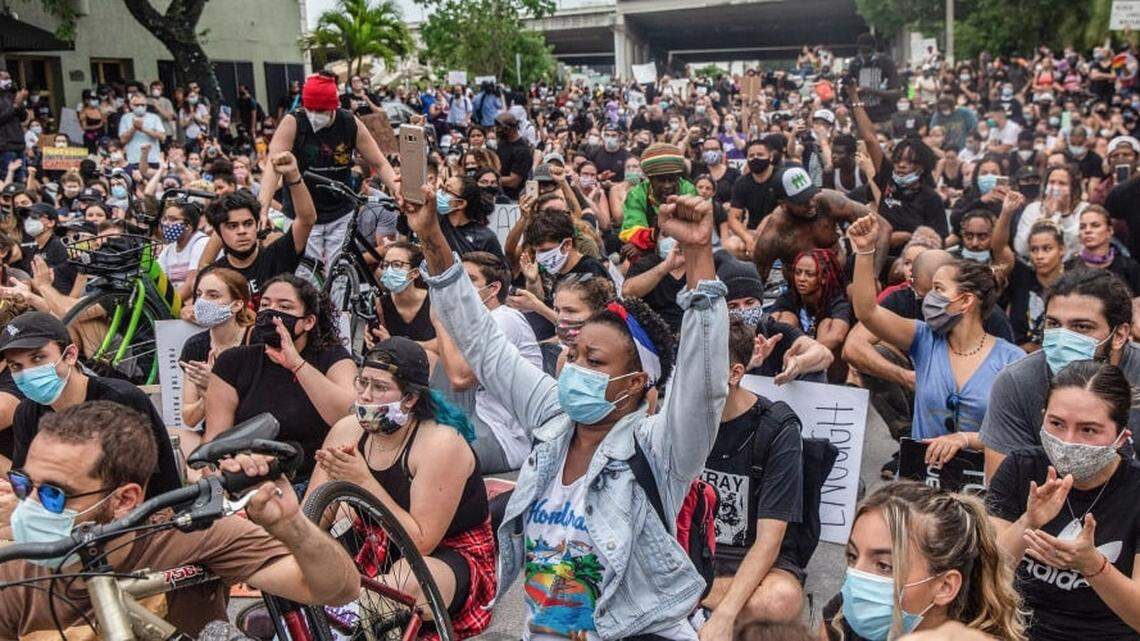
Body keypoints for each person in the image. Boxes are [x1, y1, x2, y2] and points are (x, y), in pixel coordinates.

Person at [404, 180, 727, 640]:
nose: (575, 369)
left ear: (635, 383)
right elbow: (481, 341)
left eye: (595, 362)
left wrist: (698, 256)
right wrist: (432, 236)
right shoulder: (554, 419)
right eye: (575, 356)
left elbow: (704, 384)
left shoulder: (659, 449)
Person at [0, 400, 360, 638]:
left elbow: (337, 589)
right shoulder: (15, 567)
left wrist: (291, 526)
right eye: (24, 484)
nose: (28, 505)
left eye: (53, 494)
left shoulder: (189, 533)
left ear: (125, 499)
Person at [306, 338, 496, 638]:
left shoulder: (440, 443)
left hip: (445, 552)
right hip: (374, 538)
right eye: (362, 383)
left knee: (397, 591)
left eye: (380, 388)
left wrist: (362, 480)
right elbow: (312, 519)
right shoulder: (346, 430)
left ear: (409, 399)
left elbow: (420, 544)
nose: (366, 396)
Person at [847, 215, 1023, 465]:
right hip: (923, 481)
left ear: (965, 301)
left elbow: (1018, 435)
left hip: (982, 485)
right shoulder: (924, 339)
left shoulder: (1012, 360)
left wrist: (965, 439)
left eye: (938, 290)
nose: (929, 299)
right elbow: (867, 312)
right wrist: (865, 251)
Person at [987, 360, 1140, 641]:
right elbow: (985, 576)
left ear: (1121, 437)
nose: (1068, 441)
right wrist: (1028, 522)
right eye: (1056, 424)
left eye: (1089, 430)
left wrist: (1094, 566)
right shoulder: (1021, 468)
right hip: (1018, 629)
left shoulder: (1134, 490)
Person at [698, 318, 806, 639]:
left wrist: (726, 613)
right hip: (692, 556)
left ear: (735, 374)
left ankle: (686, 599)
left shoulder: (778, 429)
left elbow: (769, 540)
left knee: (780, 599)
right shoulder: (679, 418)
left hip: (752, 559)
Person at [980, 269, 1140, 481]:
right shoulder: (1017, 383)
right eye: (1054, 324)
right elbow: (1000, 494)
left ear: (1119, 335)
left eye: (1081, 327)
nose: (1063, 338)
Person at [0, 312, 180, 497]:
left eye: (38, 358)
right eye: (16, 366)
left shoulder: (119, 400)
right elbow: (26, 479)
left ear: (70, 354)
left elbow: (132, 490)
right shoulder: (27, 412)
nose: (28, 372)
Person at [821, 481, 1026, 641]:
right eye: (852, 556)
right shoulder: (841, 615)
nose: (858, 577)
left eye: (885, 566)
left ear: (945, 586)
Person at [205, 274, 355, 484]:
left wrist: (297, 365)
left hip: (314, 480)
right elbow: (215, 441)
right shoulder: (233, 362)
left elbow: (349, 416)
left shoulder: (332, 358)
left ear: (308, 321)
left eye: (284, 307)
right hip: (249, 479)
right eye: (265, 305)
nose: (272, 313)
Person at [258, 72, 399, 268]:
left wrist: (397, 187)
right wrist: (262, 208)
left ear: (335, 107)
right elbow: (273, 167)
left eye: (322, 111)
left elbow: (380, 163)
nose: (315, 115)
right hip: (303, 214)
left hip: (340, 210)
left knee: (339, 270)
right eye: (311, 110)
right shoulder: (294, 122)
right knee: (306, 273)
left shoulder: (349, 123)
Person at [433, 251, 542, 474]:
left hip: (506, 438)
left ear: (493, 289)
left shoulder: (503, 317)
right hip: (479, 420)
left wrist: (440, 320)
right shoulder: (476, 324)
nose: (459, 288)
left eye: (469, 280)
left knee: (432, 459)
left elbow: (460, 378)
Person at [751, 166, 890, 283]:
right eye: (802, 201)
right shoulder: (772, 235)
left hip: (841, 279)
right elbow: (757, 280)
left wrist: (873, 276)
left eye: (811, 195)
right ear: (783, 204)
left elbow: (883, 227)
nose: (811, 204)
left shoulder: (826, 201)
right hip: (802, 293)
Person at [203, 153, 314, 299]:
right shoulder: (213, 275)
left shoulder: (277, 256)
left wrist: (293, 176)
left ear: (257, 224)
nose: (242, 231)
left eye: (248, 224)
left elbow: (306, 220)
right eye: (232, 226)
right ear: (219, 232)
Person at [717, 257, 834, 383]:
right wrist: (747, 366)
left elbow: (824, 354)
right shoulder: (713, 338)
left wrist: (797, 364)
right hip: (729, 398)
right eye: (733, 306)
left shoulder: (771, 330)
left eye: (749, 303)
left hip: (770, 397)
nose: (743, 310)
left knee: (814, 370)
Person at [179, 266, 255, 436]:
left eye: (213, 295)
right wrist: (207, 393)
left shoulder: (255, 339)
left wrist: (218, 384)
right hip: (214, 435)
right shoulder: (195, 345)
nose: (202, 302)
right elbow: (189, 418)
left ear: (237, 305)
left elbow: (264, 404)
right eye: (199, 295)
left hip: (252, 433)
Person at [769, 248, 852, 381]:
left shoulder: (836, 300)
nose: (801, 279)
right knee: (784, 318)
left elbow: (837, 336)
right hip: (790, 358)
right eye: (798, 272)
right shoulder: (788, 298)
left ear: (824, 278)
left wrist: (807, 355)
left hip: (824, 364)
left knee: (827, 324)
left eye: (809, 274)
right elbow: (770, 327)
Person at [619, 142, 700, 251]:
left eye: (672, 179)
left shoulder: (688, 190)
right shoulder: (637, 194)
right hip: (650, 249)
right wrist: (652, 237)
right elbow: (632, 230)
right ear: (650, 179)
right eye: (661, 180)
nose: (667, 185)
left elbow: (695, 228)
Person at [1003, 221, 1065, 351]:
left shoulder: (1073, 284)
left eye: (1047, 249)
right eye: (1034, 250)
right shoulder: (1020, 278)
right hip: (1018, 357)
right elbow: (999, 248)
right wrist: (1006, 214)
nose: (1039, 256)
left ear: (1061, 249)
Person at [370, 241, 436, 350]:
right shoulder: (380, 305)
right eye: (386, 265)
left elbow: (446, 344)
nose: (389, 271)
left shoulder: (434, 301)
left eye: (397, 265)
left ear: (414, 273)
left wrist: (394, 344)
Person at [1013, 165, 1085, 261]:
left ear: (1072, 188)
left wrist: (1065, 213)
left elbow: (1078, 247)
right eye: (1052, 182)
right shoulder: (1034, 209)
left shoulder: (1083, 209)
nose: (1055, 187)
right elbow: (1021, 248)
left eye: (1062, 183)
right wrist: (1045, 217)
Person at [1065, 206, 1140, 294]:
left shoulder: (1129, 267)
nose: (1087, 230)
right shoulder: (1069, 268)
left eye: (1095, 225)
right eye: (1082, 227)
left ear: (1110, 231)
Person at [436, 173, 504, 259]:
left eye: (446, 190)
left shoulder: (485, 238)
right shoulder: (434, 223)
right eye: (442, 188)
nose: (439, 193)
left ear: (460, 203)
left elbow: (500, 270)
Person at [17, 203, 78, 296]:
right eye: (27, 217)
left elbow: (61, 283)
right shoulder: (35, 249)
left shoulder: (59, 246)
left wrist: (31, 284)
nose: (29, 220)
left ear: (51, 222)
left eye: (34, 216)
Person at [156, 200, 209, 301]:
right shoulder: (169, 249)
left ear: (188, 225)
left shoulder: (201, 243)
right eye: (165, 218)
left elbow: (191, 284)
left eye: (173, 219)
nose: (166, 223)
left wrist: (169, 305)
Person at [729, 136, 784, 229]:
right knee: (732, 243)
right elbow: (734, 218)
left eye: (760, 155)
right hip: (753, 231)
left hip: (781, 231)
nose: (755, 158)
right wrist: (748, 238)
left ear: (770, 157)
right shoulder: (741, 182)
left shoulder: (783, 177)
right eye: (751, 156)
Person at [117, 92, 165, 169]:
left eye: (143, 105)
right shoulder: (125, 118)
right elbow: (122, 140)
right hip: (134, 160)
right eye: (137, 105)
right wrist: (134, 128)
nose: (140, 107)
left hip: (152, 159)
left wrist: (143, 129)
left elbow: (162, 137)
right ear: (131, 105)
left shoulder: (154, 117)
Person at [493, 111, 532, 200]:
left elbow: (513, 181)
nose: (497, 130)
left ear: (510, 129)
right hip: (498, 193)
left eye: (500, 127)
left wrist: (489, 181)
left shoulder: (522, 151)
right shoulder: (502, 143)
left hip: (513, 199)